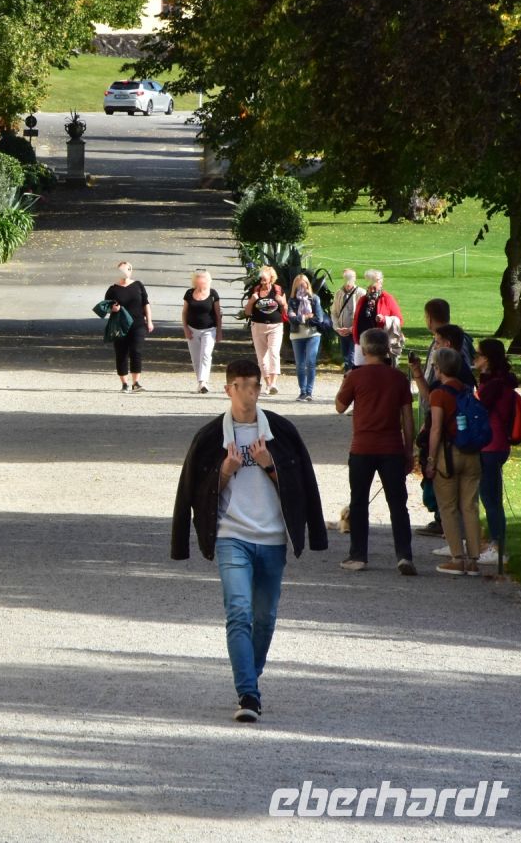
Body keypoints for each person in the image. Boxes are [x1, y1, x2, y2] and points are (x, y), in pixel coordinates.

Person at [172, 358, 327, 723]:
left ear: (260, 388)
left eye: (253, 385)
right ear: (228, 390)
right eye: (240, 385)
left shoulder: (282, 432)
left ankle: (248, 676)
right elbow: (191, 494)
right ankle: (248, 694)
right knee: (238, 612)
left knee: (265, 617)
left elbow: (304, 485)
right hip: (231, 536)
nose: (247, 393)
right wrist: (224, 473)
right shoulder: (211, 437)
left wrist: (269, 465)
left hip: (272, 538)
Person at [334, 328, 417, 575]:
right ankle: (404, 555)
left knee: (359, 502)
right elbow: (408, 418)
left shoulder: (356, 377)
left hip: (362, 447)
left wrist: (345, 380)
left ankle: (358, 555)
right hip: (391, 447)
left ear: (365, 349)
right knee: (398, 504)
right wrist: (409, 449)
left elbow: (340, 406)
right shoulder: (399, 378)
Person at [407, 304, 475, 536]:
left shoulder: (453, 372)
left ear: (446, 345)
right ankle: (452, 530)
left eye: (436, 343)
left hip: (449, 435)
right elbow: (432, 396)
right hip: (448, 430)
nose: (434, 346)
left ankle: (453, 538)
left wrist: (431, 454)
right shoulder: (448, 374)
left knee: (446, 487)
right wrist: (417, 373)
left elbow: (438, 405)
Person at [419, 347, 481, 576]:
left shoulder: (440, 394)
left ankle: (457, 558)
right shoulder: (467, 390)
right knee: (470, 506)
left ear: (439, 368)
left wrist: (431, 460)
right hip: (472, 453)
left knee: (448, 506)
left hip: (449, 453)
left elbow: (436, 430)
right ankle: (474, 559)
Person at [472, 338, 519, 570]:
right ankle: (496, 542)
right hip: (496, 444)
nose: (475, 358)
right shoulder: (497, 382)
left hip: (491, 445)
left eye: (478, 354)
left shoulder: (494, 385)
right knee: (491, 497)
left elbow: (478, 409)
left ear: (487, 359)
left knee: (490, 498)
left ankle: (497, 544)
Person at [104, 261, 153, 392]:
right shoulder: (112, 289)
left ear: (131, 271)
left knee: (136, 351)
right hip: (119, 325)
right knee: (121, 353)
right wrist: (112, 309)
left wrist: (149, 321)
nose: (125, 272)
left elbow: (146, 304)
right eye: (122, 270)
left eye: (127, 270)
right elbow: (105, 307)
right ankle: (124, 384)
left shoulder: (138, 285)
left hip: (138, 324)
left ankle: (136, 382)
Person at [242, 266, 288, 395]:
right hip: (258, 326)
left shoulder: (278, 290)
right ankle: (267, 383)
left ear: (271, 279)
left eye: (265, 280)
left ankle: (274, 383)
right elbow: (247, 312)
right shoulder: (255, 290)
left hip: (275, 326)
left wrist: (282, 302)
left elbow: (285, 310)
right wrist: (252, 301)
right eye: (261, 279)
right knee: (261, 357)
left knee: (274, 353)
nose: (262, 282)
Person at [182, 269, 222, 393]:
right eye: (199, 282)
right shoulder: (189, 293)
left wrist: (219, 331)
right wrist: (186, 329)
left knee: (205, 355)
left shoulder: (213, 294)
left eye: (204, 282)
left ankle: (203, 382)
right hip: (192, 329)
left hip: (209, 329)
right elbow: (184, 313)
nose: (201, 285)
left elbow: (218, 314)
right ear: (195, 282)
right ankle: (200, 382)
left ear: (208, 282)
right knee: (195, 357)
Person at [286, 272, 324, 402]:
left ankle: (309, 392)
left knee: (310, 362)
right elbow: (291, 319)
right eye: (299, 286)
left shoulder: (315, 299)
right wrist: (306, 317)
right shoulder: (292, 300)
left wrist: (302, 319)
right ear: (295, 287)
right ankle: (302, 391)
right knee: (300, 365)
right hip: (297, 335)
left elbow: (319, 318)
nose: (303, 288)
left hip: (313, 334)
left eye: (305, 285)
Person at [351, 270, 403, 358]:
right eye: (370, 287)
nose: (372, 290)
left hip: (379, 346)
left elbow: (399, 320)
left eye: (374, 287)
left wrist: (384, 319)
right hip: (361, 344)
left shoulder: (387, 299)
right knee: (360, 370)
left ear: (380, 284)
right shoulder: (362, 300)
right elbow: (357, 320)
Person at [331, 269, 361, 373]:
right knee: (345, 355)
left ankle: (351, 376)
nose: (349, 280)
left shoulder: (360, 293)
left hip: (355, 330)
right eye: (347, 278)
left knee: (351, 357)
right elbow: (334, 312)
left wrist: (351, 329)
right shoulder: (339, 293)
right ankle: (349, 376)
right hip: (342, 331)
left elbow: (362, 315)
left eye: (351, 278)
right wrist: (337, 328)